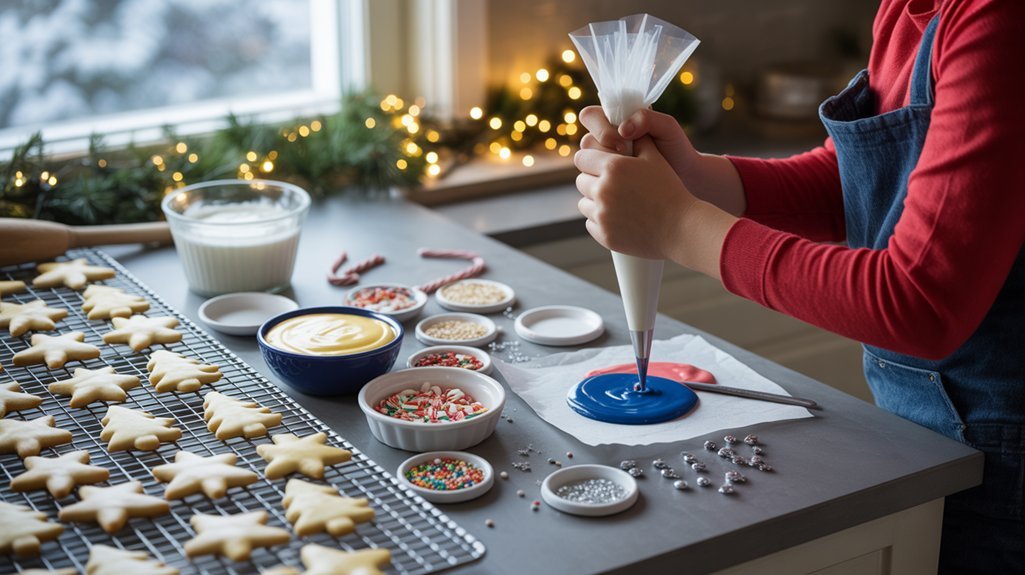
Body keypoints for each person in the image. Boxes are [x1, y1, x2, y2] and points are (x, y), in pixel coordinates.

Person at [573, 1, 1023, 572]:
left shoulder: (1000, 22)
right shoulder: (909, 10)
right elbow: (858, 182)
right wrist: (699, 181)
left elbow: (920, 301)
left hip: (1005, 465)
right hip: (931, 432)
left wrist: (679, 225)